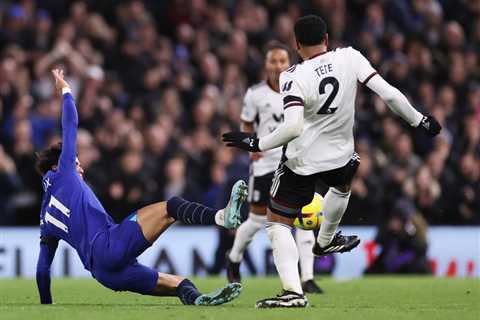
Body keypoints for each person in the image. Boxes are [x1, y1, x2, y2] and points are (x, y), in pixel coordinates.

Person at [223, 15, 441, 308]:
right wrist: (420, 120)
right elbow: (388, 94)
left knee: (277, 223)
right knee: (341, 188)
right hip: (341, 156)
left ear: (297, 45)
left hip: (301, 161)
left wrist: (257, 142)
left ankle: (293, 292)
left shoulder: (293, 75)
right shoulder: (350, 57)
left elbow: (293, 128)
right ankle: (325, 240)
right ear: (326, 38)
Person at [36, 69, 248, 306]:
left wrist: (47, 307)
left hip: (105, 275)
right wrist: (65, 89)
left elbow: (42, 270)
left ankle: (198, 299)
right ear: (57, 166)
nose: (81, 169)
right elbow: (70, 123)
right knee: (172, 207)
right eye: (77, 164)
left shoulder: (45, 216)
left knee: (180, 284)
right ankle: (222, 217)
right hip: (109, 245)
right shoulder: (64, 172)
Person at [225, 41, 322, 294]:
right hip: (265, 164)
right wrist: (251, 148)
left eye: (282, 60)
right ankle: (234, 258)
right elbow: (246, 123)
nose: (278, 65)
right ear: (266, 65)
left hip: (296, 162)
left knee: (303, 220)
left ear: (288, 63)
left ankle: (308, 277)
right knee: (257, 221)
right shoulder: (255, 94)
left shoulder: (301, 85)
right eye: (273, 61)